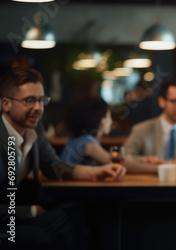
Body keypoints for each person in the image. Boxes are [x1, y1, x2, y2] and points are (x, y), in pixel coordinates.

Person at [0, 67, 126, 249]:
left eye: (41, 100)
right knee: (41, 238)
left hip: (13, 214)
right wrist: (30, 211)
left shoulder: (34, 130)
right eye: (29, 100)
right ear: (6, 104)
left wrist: (97, 172)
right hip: (6, 220)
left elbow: (54, 167)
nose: (38, 108)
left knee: (70, 219)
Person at [61, 97, 159, 173]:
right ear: (102, 122)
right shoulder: (87, 143)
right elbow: (117, 163)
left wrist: (143, 160)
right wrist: (157, 169)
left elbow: (116, 159)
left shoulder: (79, 140)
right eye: (109, 116)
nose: (112, 121)